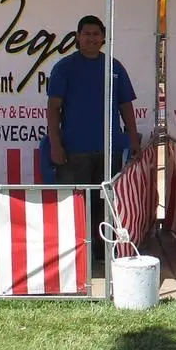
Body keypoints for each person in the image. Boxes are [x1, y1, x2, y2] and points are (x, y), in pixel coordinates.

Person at [46, 15, 141, 269]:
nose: (91, 38)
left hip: (109, 150)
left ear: (103, 37)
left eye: (96, 34)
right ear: (77, 37)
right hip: (73, 150)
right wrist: (55, 144)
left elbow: (126, 106)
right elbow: (53, 108)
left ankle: (102, 255)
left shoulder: (115, 67)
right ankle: (73, 258)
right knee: (73, 203)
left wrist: (133, 139)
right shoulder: (64, 67)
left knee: (105, 204)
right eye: (86, 34)